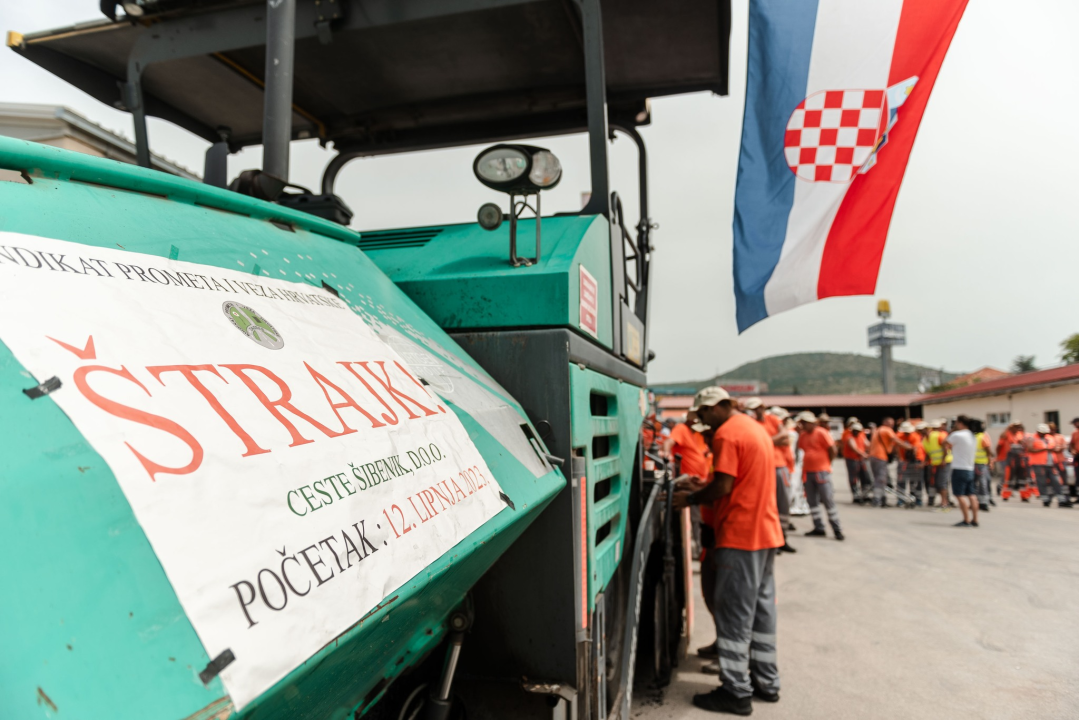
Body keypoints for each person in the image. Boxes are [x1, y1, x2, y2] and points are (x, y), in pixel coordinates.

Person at [672, 386, 783, 714]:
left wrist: (690, 498)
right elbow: (739, 482)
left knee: (734, 611)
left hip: (740, 535)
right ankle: (766, 681)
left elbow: (724, 485)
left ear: (717, 407)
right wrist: (704, 487)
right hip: (764, 532)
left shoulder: (726, 434)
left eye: (704, 414)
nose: (705, 422)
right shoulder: (754, 428)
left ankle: (736, 691)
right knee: (761, 611)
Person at [745, 398, 797, 553]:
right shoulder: (751, 423)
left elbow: (785, 438)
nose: (756, 411)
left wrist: (764, 441)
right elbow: (777, 439)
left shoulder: (772, 420)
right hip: (762, 467)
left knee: (783, 503)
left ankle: (782, 538)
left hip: (779, 466)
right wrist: (774, 440)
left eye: (758, 408)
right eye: (753, 409)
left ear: (762, 407)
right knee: (767, 504)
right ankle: (772, 541)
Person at [796, 411, 844, 540]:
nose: (802, 425)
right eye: (801, 423)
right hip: (808, 472)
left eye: (804, 423)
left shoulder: (821, 432)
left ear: (811, 423)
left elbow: (832, 449)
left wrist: (827, 463)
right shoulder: (803, 435)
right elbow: (801, 449)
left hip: (821, 472)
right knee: (812, 501)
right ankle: (819, 527)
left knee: (827, 500)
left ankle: (837, 529)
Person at [943, 416, 979, 527]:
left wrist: (952, 430)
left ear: (960, 423)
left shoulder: (957, 435)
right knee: (971, 494)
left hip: (959, 468)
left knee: (959, 495)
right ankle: (975, 520)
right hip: (970, 468)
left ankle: (966, 520)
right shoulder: (972, 435)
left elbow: (944, 442)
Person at [1026, 423, 1072, 508]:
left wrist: (1058, 449)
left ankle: (1061, 499)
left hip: (1051, 463)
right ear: (1038, 432)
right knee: (1042, 482)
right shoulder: (1032, 438)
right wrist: (1044, 449)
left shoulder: (1049, 438)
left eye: (1045, 433)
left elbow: (1054, 447)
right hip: (1039, 464)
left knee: (1056, 481)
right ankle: (1045, 499)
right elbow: (1030, 449)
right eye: (1041, 433)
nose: (1043, 434)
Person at [868, 417, 911, 508]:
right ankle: (877, 499)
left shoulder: (878, 430)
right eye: (890, 424)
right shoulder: (886, 430)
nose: (892, 425)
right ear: (885, 423)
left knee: (880, 479)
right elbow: (896, 441)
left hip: (873, 457)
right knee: (881, 479)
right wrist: (909, 447)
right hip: (880, 457)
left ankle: (882, 499)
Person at [923, 421, 952, 509]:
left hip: (944, 462)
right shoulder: (925, 440)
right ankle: (944, 501)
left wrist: (943, 460)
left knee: (942, 483)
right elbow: (929, 453)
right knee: (937, 483)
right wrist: (924, 463)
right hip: (936, 463)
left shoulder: (938, 436)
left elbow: (945, 448)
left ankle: (944, 503)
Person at [841, 419, 870, 504]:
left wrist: (871, 451)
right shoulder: (849, 436)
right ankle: (856, 495)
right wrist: (863, 454)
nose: (856, 432)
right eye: (855, 430)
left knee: (865, 477)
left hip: (861, 459)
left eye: (858, 431)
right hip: (852, 459)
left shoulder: (861, 435)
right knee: (853, 478)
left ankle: (864, 494)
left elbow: (867, 444)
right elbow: (853, 447)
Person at [895, 421, 923, 507]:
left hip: (915, 459)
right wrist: (900, 459)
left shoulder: (915, 436)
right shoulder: (899, 435)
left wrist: (913, 461)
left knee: (914, 481)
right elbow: (897, 447)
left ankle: (916, 499)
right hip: (903, 460)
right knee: (901, 480)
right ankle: (901, 499)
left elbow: (915, 449)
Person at [970, 419, 994, 511]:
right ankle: (982, 502)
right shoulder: (982, 436)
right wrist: (990, 462)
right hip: (980, 464)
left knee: (976, 483)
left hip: (975, 464)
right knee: (982, 483)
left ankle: (978, 502)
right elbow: (988, 451)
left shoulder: (973, 437)